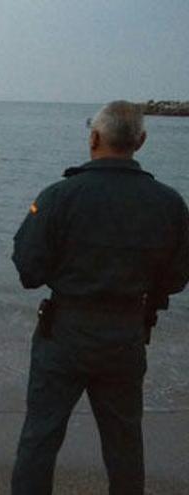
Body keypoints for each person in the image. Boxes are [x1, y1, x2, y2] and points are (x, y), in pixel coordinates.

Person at [10, 100, 189, 495]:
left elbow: (28, 269)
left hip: (65, 333)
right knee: (124, 444)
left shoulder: (60, 196)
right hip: (126, 334)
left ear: (93, 137)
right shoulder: (170, 203)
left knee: (40, 438)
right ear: (140, 141)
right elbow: (177, 277)